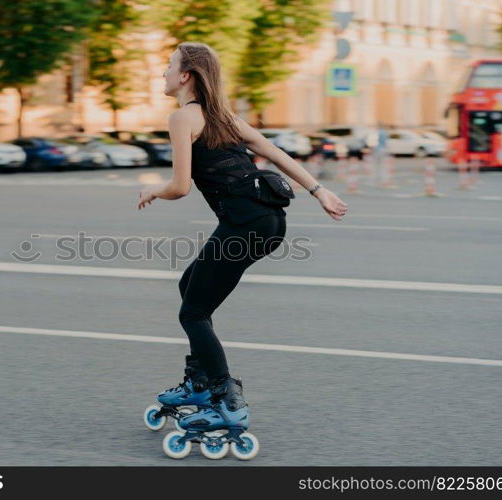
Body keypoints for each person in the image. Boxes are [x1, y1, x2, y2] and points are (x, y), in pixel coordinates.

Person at [138, 42, 347, 437]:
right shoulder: (222, 117)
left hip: (244, 224)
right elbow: (275, 152)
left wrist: (154, 190)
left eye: (168, 66)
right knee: (191, 288)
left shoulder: (183, 118)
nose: (163, 74)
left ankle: (224, 398)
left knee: (192, 312)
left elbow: (181, 187)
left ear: (185, 76)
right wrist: (320, 191)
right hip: (268, 222)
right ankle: (198, 383)